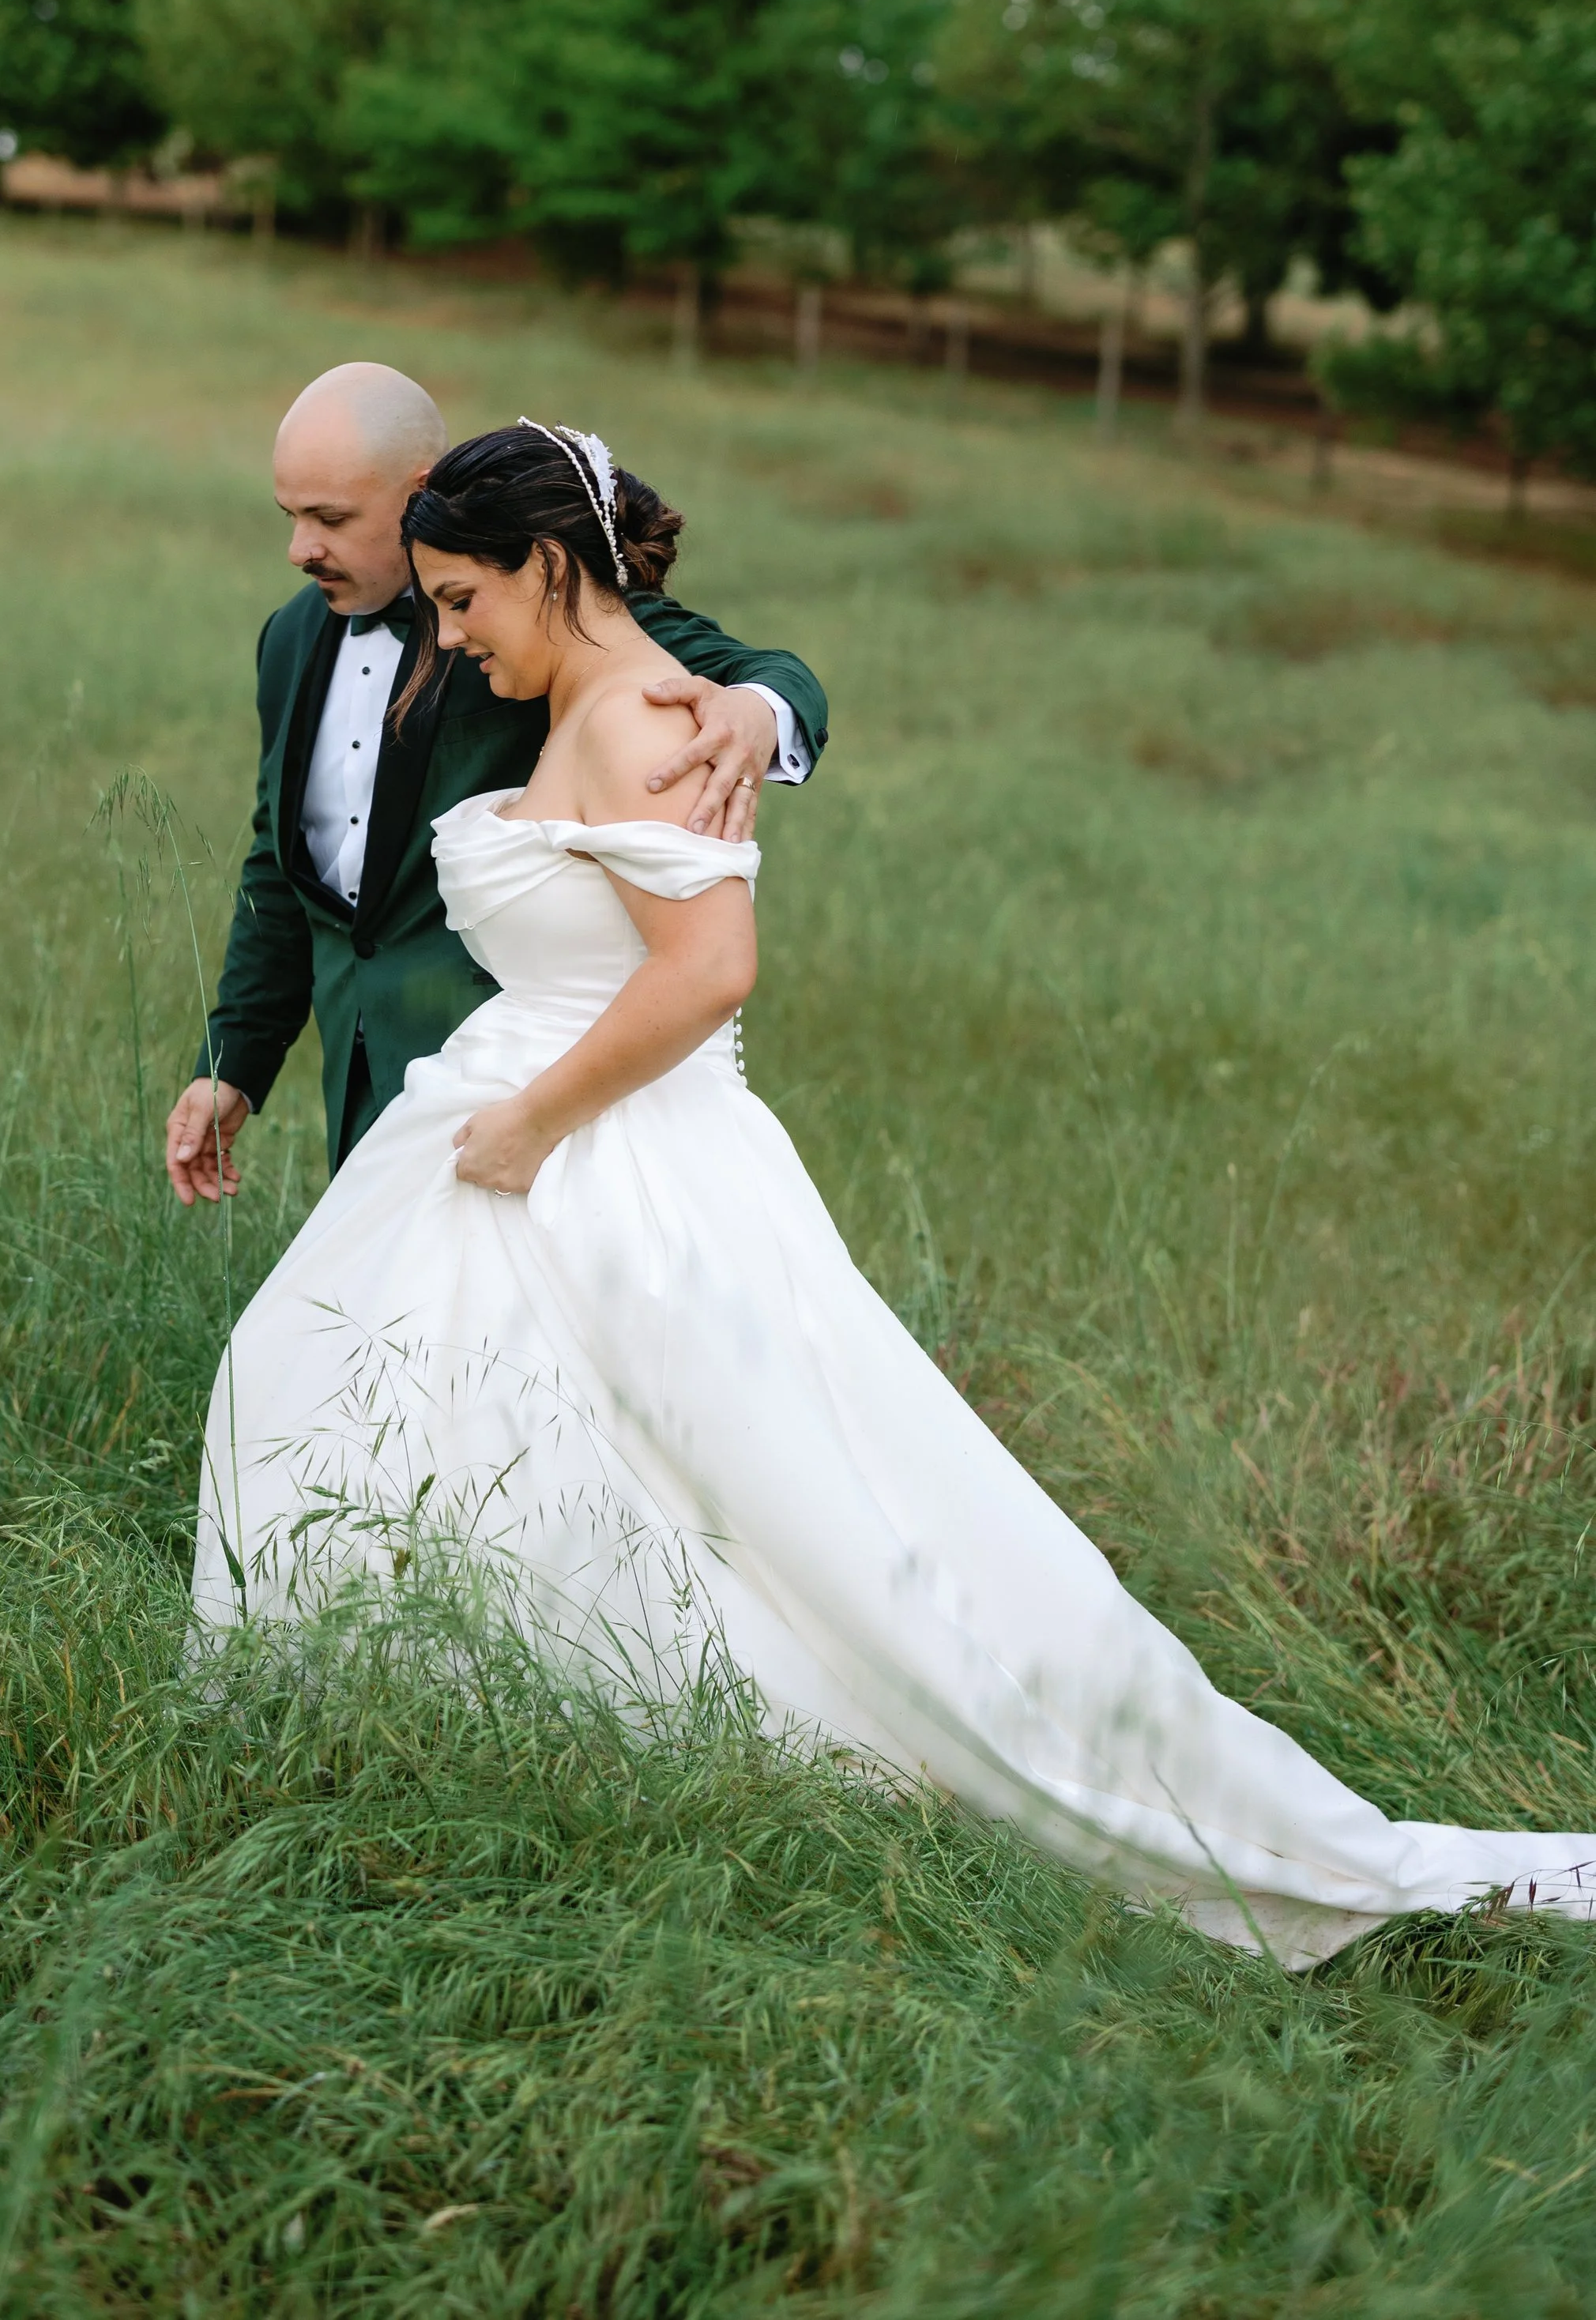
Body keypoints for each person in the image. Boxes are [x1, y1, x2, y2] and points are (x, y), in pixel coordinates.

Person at [190, 421, 1596, 1968]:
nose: (445, 641)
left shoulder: (657, 715)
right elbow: (302, 867)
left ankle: (858, 1753)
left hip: (607, 1150)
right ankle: (453, 1738)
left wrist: (530, 1120)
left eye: (461, 603)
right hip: (511, 1119)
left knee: (787, 1512)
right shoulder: (542, 693)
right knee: (438, 1430)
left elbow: (711, 965)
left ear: (541, 564)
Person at [164, 364, 826, 1190]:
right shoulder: (290, 639)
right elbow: (282, 859)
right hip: (359, 1059)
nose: (300, 549)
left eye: (329, 518)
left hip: (519, 1081)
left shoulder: (537, 606)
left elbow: (755, 669)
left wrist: (759, 709)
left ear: (416, 496)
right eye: (291, 516)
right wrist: (235, 1061)